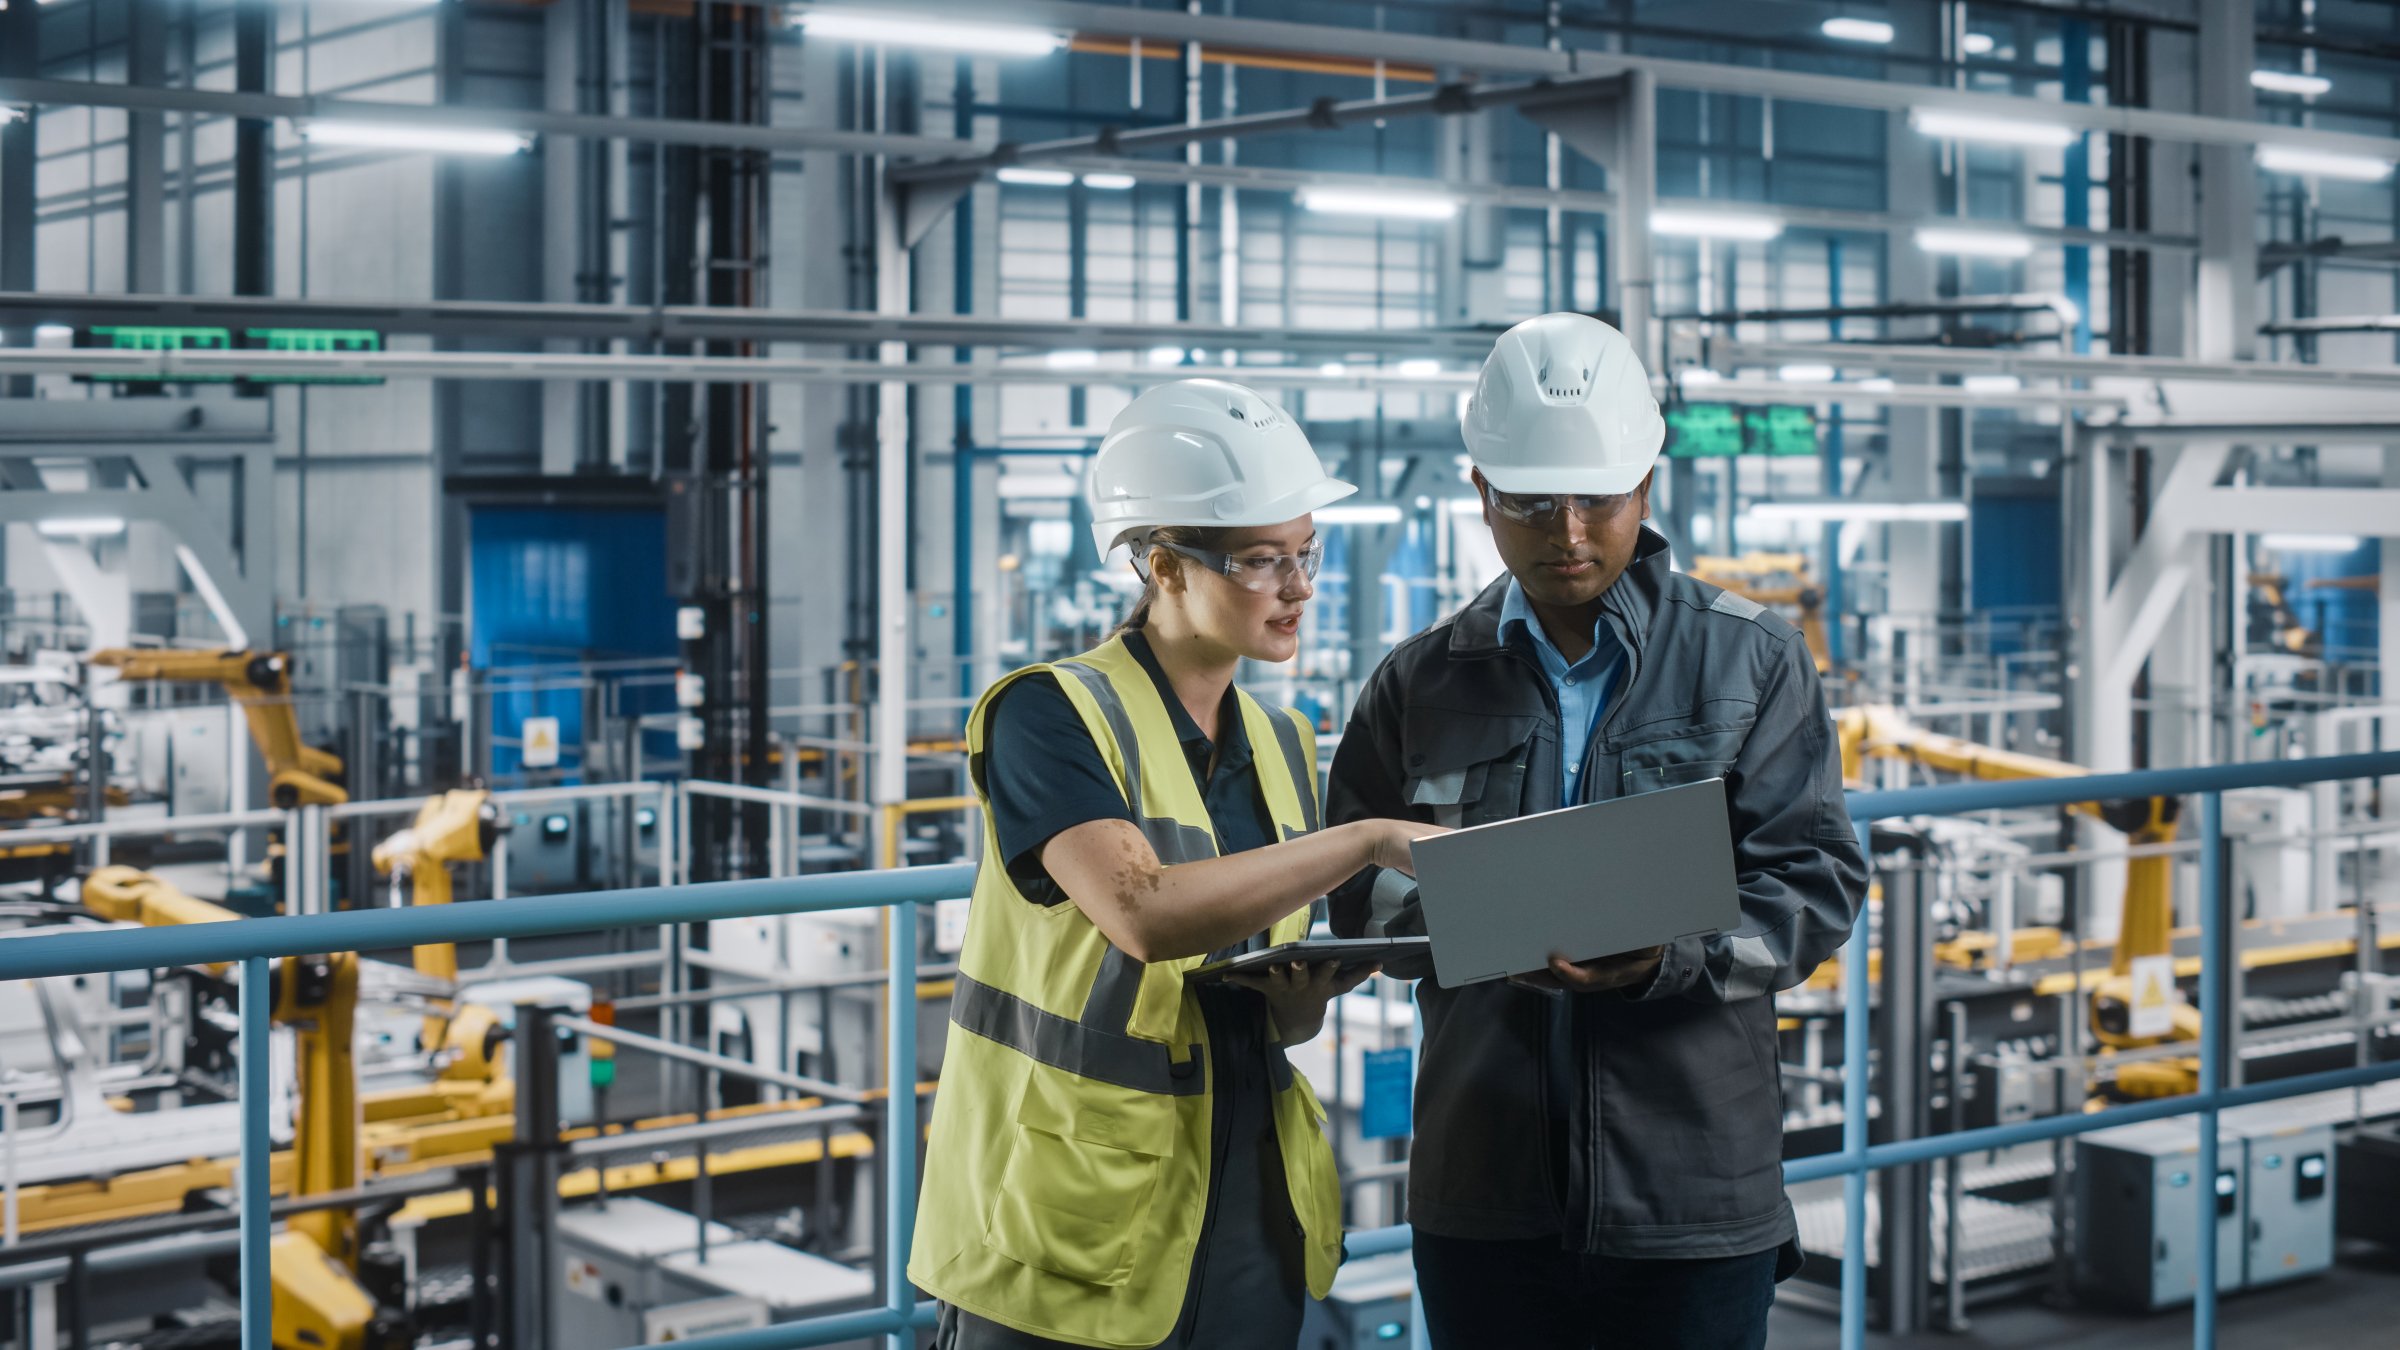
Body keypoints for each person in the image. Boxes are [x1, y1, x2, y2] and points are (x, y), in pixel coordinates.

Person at [1325, 313, 1869, 1350]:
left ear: (1647, 489)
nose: (1569, 533)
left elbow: (1813, 885)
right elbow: (1358, 892)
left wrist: (1667, 957)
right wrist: (1478, 925)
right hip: (1486, 1190)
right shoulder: (1418, 681)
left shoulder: (1750, 661)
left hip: (1691, 1189)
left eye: (1599, 501)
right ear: (1481, 494)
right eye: (1532, 504)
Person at [912, 378, 1442, 1350]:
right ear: (1163, 565)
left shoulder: (1283, 739)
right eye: (1260, 560)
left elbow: (1258, 987)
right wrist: (1371, 838)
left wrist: (1301, 998)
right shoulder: (1050, 713)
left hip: (1247, 1198)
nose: (1299, 587)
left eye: (1306, 554)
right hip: (1066, 1210)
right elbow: (1143, 913)